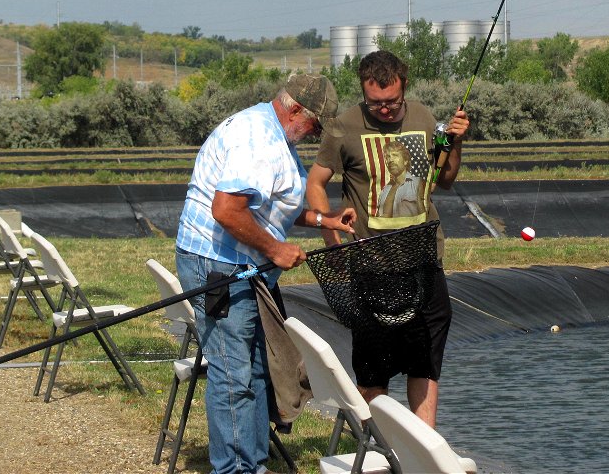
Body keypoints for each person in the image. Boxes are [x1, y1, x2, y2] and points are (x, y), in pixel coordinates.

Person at [175, 73, 356, 474]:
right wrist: (275, 249)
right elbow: (226, 210)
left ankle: (253, 462)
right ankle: (237, 469)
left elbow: (273, 203)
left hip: (240, 267)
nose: (313, 134)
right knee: (233, 373)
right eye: (314, 125)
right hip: (217, 267)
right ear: (295, 109)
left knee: (253, 365)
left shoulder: (274, 132)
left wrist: (326, 219)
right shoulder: (258, 142)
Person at [305, 50, 469, 428]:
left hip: (424, 260)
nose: (384, 109)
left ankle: (423, 446)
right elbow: (316, 182)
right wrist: (331, 235)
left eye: (392, 102)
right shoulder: (343, 127)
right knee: (373, 366)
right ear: (363, 91)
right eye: (374, 102)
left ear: (404, 87)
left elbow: (444, 179)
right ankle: (377, 445)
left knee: (424, 360)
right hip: (370, 263)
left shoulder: (425, 118)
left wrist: (456, 143)